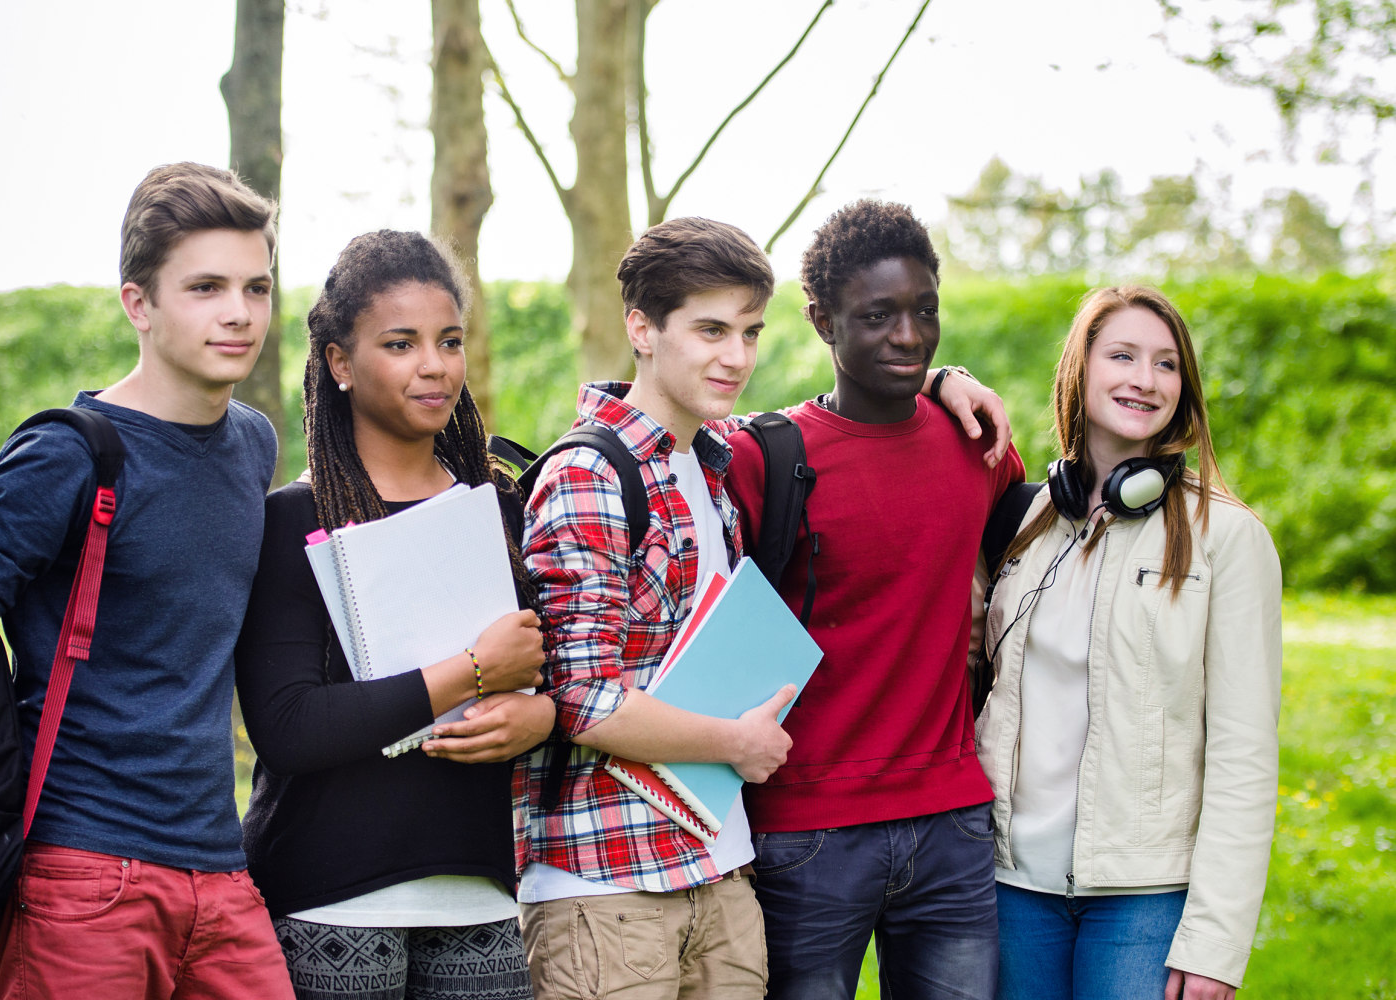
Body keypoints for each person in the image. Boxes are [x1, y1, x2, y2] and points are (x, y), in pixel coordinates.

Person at [517, 215, 1010, 1000]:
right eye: (711, 330)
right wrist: (734, 744)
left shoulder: (717, 462)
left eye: (748, 332)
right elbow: (583, 697)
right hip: (611, 876)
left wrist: (947, 379)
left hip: (721, 865)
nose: (737, 357)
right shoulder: (592, 473)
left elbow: (867, 422)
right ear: (640, 328)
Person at [0, 162, 294, 999]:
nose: (239, 313)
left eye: (257, 287)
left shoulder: (253, 444)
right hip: (81, 876)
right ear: (137, 304)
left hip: (220, 875)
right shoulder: (69, 454)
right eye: (206, 287)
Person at [234, 229, 552, 1000]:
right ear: (340, 363)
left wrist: (539, 717)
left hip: (483, 891)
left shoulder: (503, 509)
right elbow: (289, 726)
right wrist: (471, 672)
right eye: (401, 343)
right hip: (331, 900)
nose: (435, 365)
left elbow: (568, 679)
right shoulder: (292, 521)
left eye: (449, 341)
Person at [723, 199, 1025, 1000]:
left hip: (952, 819)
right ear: (823, 320)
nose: (909, 335)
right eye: (878, 315)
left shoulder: (978, 447)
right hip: (806, 826)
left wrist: (949, 381)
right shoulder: (766, 459)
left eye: (925, 311)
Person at [974, 286, 1281, 1000]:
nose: (1145, 379)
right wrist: (943, 378)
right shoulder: (1024, 521)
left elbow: (1244, 753)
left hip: (1144, 898)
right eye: (1123, 356)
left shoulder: (1230, 540)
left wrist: (1214, 942)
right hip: (1009, 885)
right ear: (1080, 372)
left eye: (1166, 364)